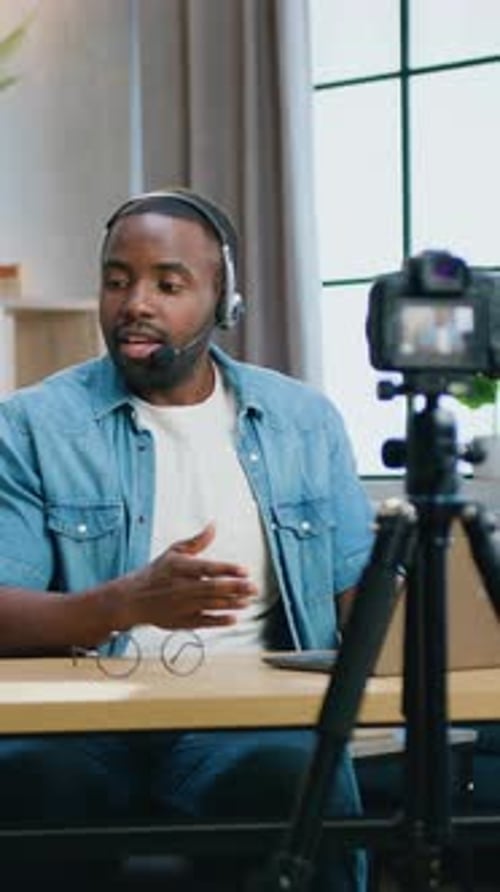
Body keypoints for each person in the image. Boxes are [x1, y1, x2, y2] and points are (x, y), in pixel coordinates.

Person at [0, 188, 374, 890]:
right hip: (76, 721)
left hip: (249, 720)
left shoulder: (303, 420)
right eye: (117, 280)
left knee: (298, 785)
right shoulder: (31, 425)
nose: (136, 302)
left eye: (169, 284)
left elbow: (361, 598)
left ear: (224, 301)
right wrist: (127, 603)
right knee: (30, 785)